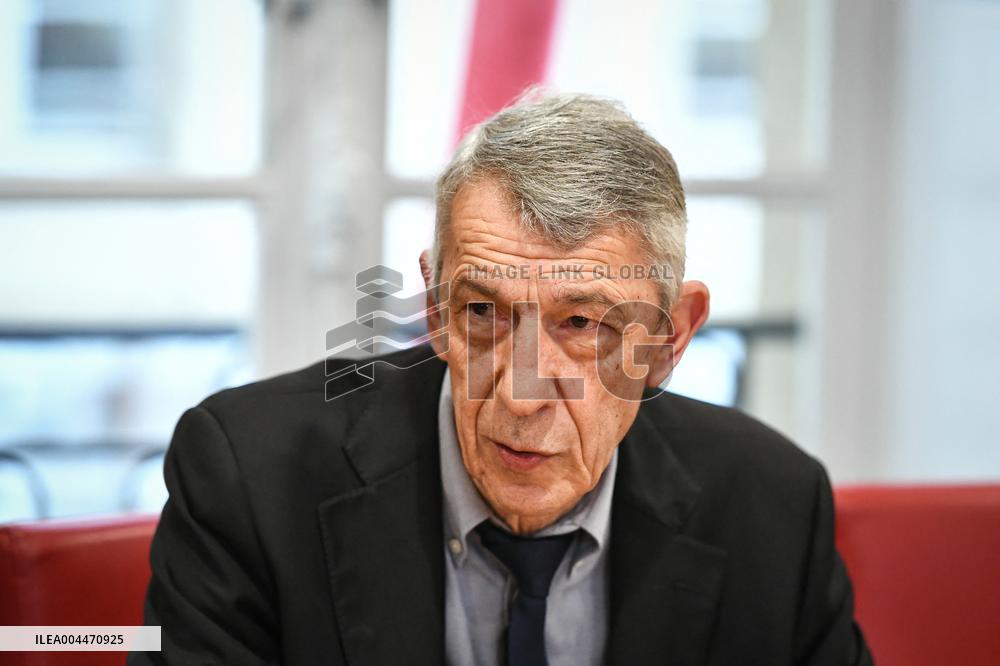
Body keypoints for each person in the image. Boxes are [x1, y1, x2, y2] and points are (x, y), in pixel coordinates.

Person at [131, 92, 872, 665]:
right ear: (432, 307)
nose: (521, 394)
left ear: (670, 337)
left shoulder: (770, 507)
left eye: (582, 325)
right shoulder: (249, 477)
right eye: (483, 311)